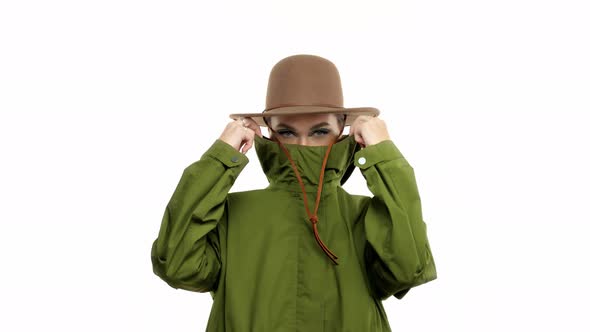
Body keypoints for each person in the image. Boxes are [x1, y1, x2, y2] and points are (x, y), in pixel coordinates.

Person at [150, 54, 437, 331]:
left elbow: (408, 268)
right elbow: (175, 264)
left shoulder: (367, 216)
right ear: (269, 136)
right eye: (287, 132)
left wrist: (383, 154)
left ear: (344, 134)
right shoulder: (229, 216)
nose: (303, 145)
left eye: (319, 131)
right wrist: (221, 157)